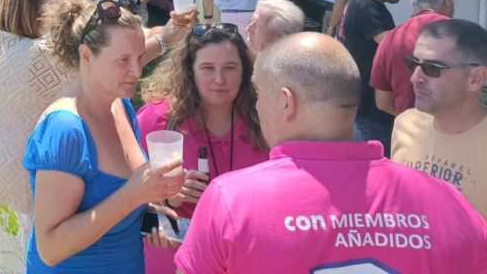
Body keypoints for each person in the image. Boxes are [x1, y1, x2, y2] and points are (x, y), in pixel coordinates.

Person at [174, 33, 487, 273]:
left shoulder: (231, 201)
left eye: (259, 95)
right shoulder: (448, 201)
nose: (256, 107)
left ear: (286, 102)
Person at [24, 0, 184, 272]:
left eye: (139, 57)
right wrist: (133, 196)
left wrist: (146, 213)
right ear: (86, 55)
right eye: (123, 60)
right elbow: (50, 249)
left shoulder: (120, 106)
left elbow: (106, 202)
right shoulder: (66, 129)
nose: (137, 71)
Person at [130, 23, 269, 273]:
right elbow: (121, 192)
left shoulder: (266, 122)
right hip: (174, 260)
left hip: (246, 258)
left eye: (230, 68)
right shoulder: (157, 120)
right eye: (207, 68)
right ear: (189, 71)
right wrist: (165, 197)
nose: (219, 79)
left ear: (245, 70)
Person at [0, 0, 74, 273]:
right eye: (49, 5)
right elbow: (93, 73)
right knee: (21, 259)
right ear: (35, 14)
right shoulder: (44, 55)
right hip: (18, 173)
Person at [391, 19, 487, 218]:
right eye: (413, 64)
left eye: (432, 68)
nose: (415, 78)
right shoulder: (405, 125)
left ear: (475, 79)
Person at [340, 0, 406, 153]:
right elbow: (393, 46)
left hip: (368, 105)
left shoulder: (366, 4)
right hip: (370, 109)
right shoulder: (365, 8)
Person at [370, 0, 454, 116]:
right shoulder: (463, 34)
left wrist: (413, 119)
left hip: (409, 127)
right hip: (457, 126)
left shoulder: (390, 38)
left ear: (413, 3)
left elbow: (383, 102)